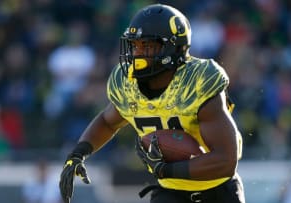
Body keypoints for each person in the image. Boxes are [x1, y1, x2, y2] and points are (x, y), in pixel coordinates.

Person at [59, 4, 245, 203]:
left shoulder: (196, 83)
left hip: (217, 189)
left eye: (146, 46)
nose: (137, 53)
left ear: (171, 47)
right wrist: (78, 153)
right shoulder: (128, 83)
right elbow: (107, 121)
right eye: (135, 45)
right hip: (170, 190)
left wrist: (166, 169)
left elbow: (226, 160)